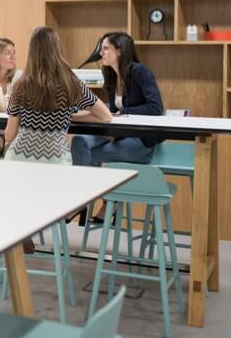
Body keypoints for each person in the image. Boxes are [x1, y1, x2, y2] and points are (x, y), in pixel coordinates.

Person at [4, 26, 111, 253]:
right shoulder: (71, 83)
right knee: (43, 190)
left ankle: (23, 228)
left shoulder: (20, 84)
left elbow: (9, 135)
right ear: (57, 50)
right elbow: (106, 116)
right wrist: (69, 114)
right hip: (55, 166)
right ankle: (36, 223)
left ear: (32, 52)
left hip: (19, 163)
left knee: (17, 184)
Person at [70, 32, 164, 220]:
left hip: (141, 142)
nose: (101, 53)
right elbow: (112, 113)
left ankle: (96, 202)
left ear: (120, 51)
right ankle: (88, 202)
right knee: (79, 142)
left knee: (89, 155)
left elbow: (156, 107)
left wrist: (125, 112)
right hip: (119, 135)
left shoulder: (139, 71)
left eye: (105, 48)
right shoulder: (111, 75)